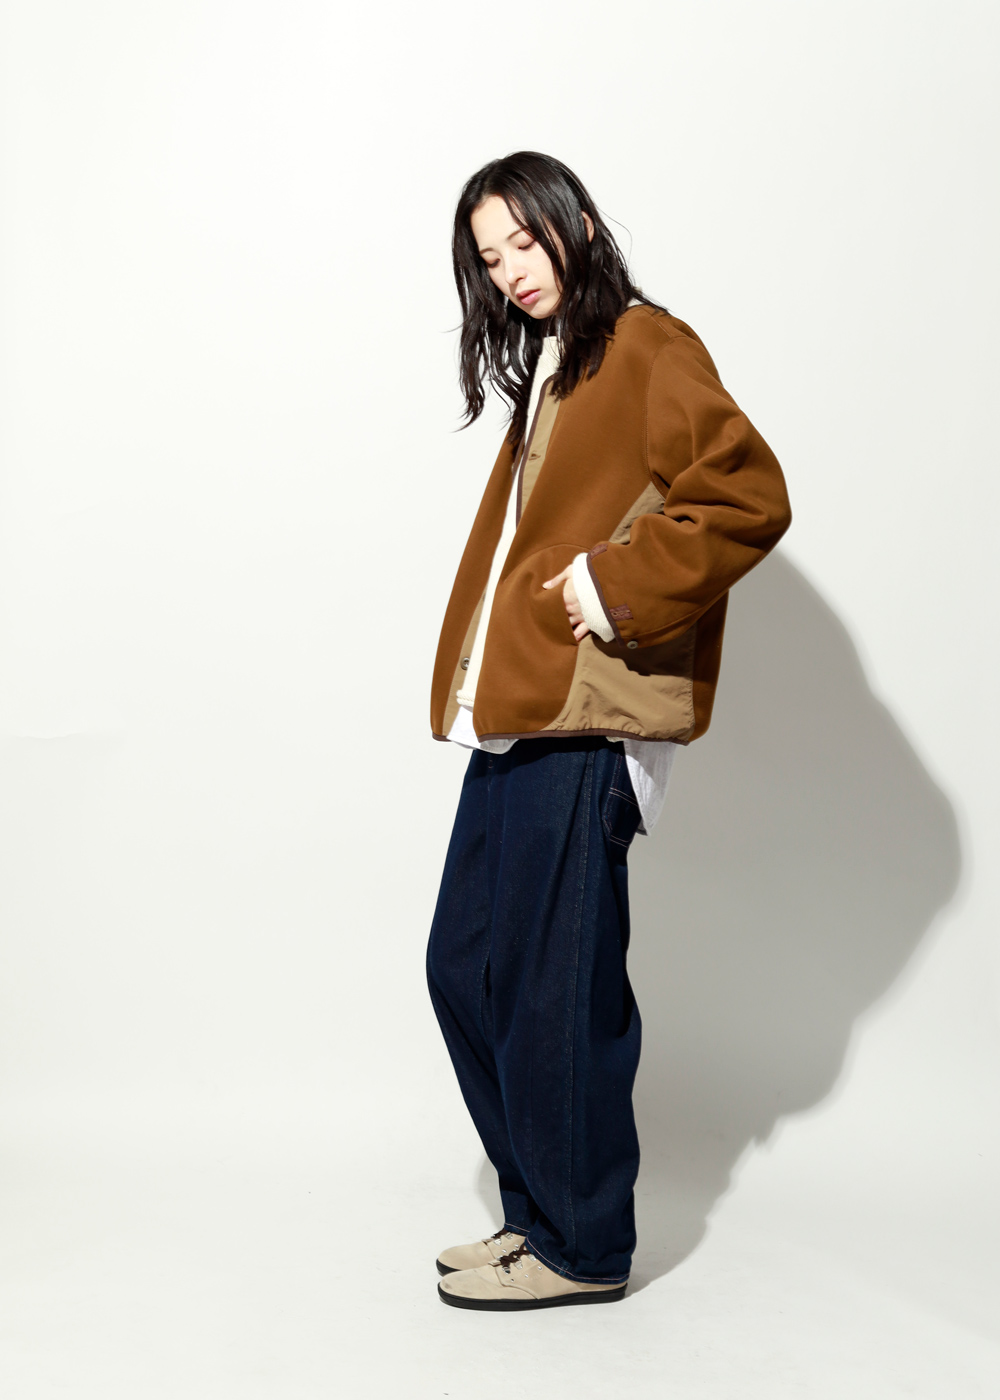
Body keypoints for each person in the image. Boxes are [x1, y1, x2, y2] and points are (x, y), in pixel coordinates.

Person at [426, 151, 791, 1311]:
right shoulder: (558, 364)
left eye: (523, 240)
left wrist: (611, 584)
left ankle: (581, 1242)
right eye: (489, 257)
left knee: (553, 987)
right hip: (521, 713)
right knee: (466, 968)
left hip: (590, 717)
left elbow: (745, 493)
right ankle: (536, 1211)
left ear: (577, 222)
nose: (510, 270)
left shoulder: (643, 343)